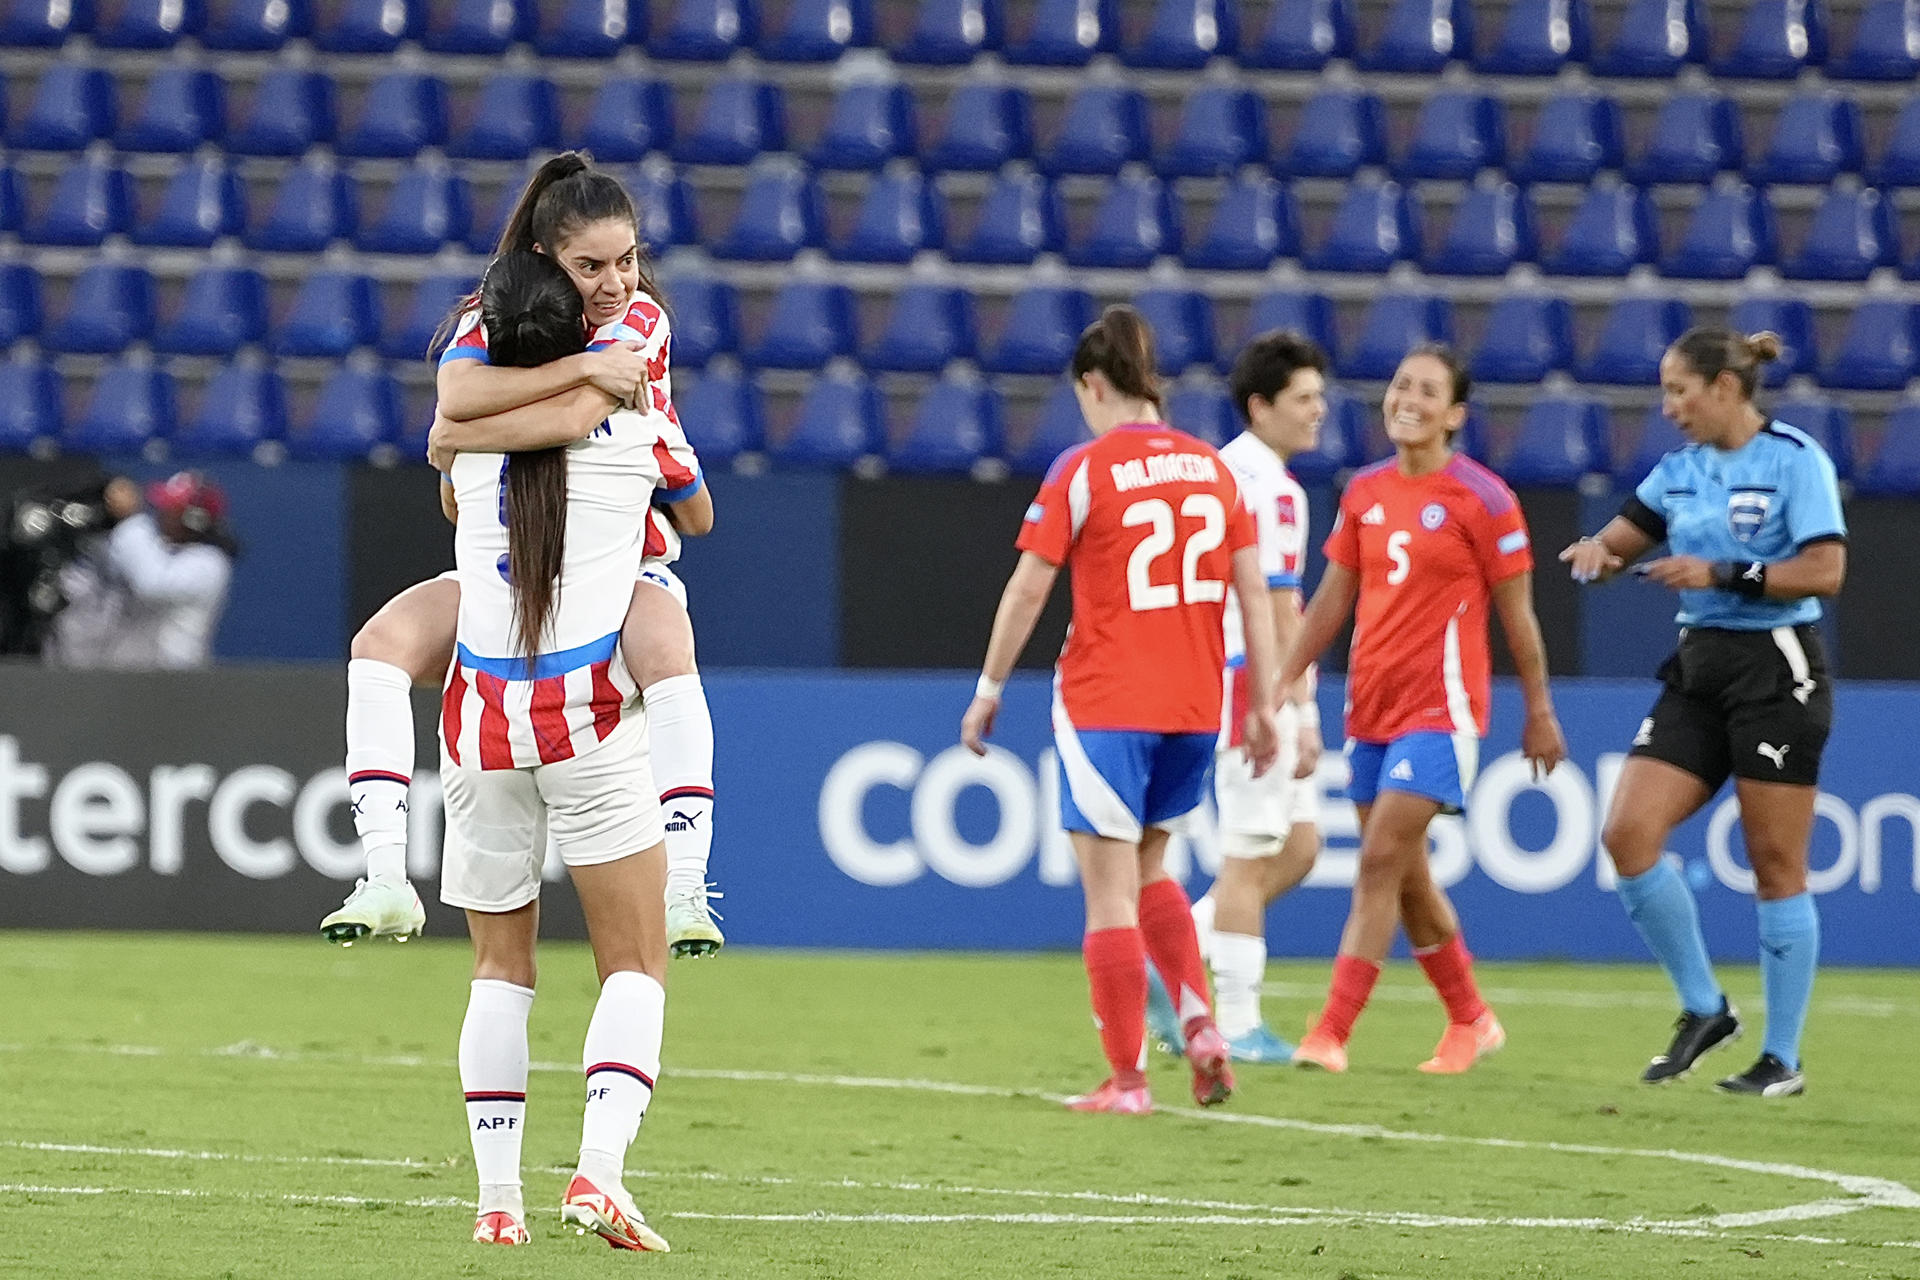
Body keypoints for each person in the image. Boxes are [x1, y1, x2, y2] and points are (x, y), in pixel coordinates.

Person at [321, 152, 724, 960]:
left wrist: (455, 445)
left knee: (666, 649)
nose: (615, 283)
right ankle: (384, 876)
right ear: (545, 260)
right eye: (591, 266)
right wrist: (545, 384)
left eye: (627, 259)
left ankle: (687, 881)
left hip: (618, 562)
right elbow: (459, 400)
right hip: (506, 568)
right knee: (378, 647)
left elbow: (567, 420)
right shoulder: (490, 314)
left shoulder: (642, 321)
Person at [961, 305, 1282, 1115]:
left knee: (1107, 892)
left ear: (1095, 384)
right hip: (1195, 700)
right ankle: (1202, 1021)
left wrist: (990, 688)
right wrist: (1266, 704)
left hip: (1108, 699)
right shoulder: (1216, 470)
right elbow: (1255, 592)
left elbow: (1030, 586)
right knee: (1150, 870)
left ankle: (1128, 1078)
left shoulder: (1084, 468)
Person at [442, 251, 679, 1251]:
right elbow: (684, 499)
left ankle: (499, 1199)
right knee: (636, 962)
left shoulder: (470, 437)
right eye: (598, 266)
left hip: (480, 718)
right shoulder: (629, 419)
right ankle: (600, 1169)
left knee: (500, 967)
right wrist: (592, 379)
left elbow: (450, 422)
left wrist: (474, 420)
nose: (619, 282)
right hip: (584, 713)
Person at [1560, 329, 1845, 1098]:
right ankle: (1704, 1007)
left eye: (1679, 390)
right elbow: (1620, 541)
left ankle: (1782, 1058)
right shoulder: (1678, 472)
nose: (1669, 407)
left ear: (1725, 387)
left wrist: (1722, 570)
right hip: (1698, 670)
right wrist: (1596, 554)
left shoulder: (1793, 459)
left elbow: (1825, 568)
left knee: (1775, 862)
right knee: (1626, 833)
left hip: (1776, 671)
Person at [1282, 344, 1566, 1075]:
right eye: (1401, 383)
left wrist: (1539, 710)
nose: (1409, 398)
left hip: (1442, 710)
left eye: (1428, 391)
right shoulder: (1364, 492)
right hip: (1369, 708)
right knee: (1407, 877)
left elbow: (1519, 618)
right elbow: (1332, 600)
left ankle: (1331, 1033)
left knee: (1377, 859)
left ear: (1455, 415)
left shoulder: (1485, 498)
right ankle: (1471, 1019)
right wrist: (1285, 675)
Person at [1148, 331, 1330, 1065]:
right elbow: (1282, 607)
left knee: (1301, 846)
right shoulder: (1272, 491)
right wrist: (1300, 710)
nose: (1319, 413)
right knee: (1249, 858)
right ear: (1260, 406)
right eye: (1304, 400)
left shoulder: (1215, 472)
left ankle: (1162, 960)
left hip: (1218, 674)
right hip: (1251, 685)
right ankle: (1237, 1021)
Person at [45, 470, 237, 670]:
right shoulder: (160, 549)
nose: (161, 514)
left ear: (192, 520)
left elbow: (151, 583)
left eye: (172, 509)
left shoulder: (209, 563)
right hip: (136, 673)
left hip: (178, 679)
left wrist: (131, 518)